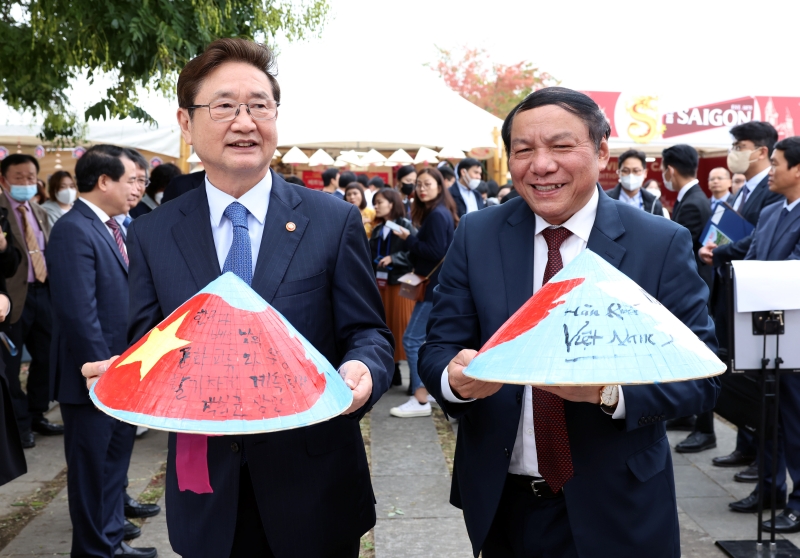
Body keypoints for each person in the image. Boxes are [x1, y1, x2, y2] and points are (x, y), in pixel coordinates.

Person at [81, 38, 393, 558]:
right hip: (206, 487)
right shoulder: (154, 233)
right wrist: (129, 374)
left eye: (259, 106)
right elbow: (149, 341)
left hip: (314, 482)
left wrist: (364, 368)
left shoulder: (331, 220)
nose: (244, 122)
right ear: (186, 122)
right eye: (224, 106)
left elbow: (369, 333)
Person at [418, 87, 719, 558]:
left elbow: (702, 377)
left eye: (561, 146)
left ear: (602, 152)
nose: (541, 165)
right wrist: (455, 381)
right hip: (503, 505)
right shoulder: (478, 234)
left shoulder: (658, 244)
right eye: (523, 150)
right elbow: (438, 347)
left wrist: (609, 393)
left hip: (619, 507)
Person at [47, 144, 157, 558]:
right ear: (104, 181)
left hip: (123, 373)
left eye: (143, 181)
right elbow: (79, 312)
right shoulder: (74, 229)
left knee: (113, 467)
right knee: (92, 473)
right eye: (132, 180)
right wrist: (104, 372)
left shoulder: (117, 227)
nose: (138, 188)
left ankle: (112, 541)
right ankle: (94, 550)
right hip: (95, 377)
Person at [698, 122, 783, 479]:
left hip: (758, 297)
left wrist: (719, 253)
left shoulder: (774, 190)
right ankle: (746, 446)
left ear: (762, 151)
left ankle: (765, 461)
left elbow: (757, 240)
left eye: (740, 145)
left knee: (758, 382)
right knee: (740, 373)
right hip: (729, 291)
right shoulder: (741, 190)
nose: (734, 151)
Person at [728, 137, 800, 525]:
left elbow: (792, 271)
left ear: (798, 170)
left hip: (795, 334)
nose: (770, 170)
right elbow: (752, 259)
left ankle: (798, 502)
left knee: (795, 418)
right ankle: (770, 488)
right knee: (767, 414)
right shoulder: (772, 211)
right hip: (763, 328)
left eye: (776, 163)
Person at [0, 154, 60, 449]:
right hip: (11, 298)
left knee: (47, 358)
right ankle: (20, 424)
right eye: (18, 177)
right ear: (4, 180)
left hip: (43, 293)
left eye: (30, 177)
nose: (26, 182)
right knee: (11, 366)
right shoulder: (2, 212)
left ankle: (37, 414)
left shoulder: (39, 211)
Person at [390, 167, 457, 418]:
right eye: (418, 184)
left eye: (427, 184)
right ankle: (427, 392)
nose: (421, 189)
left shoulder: (438, 214)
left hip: (432, 287)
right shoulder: (437, 211)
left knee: (411, 339)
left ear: (440, 186)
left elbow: (436, 251)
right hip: (434, 285)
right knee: (426, 339)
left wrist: (410, 239)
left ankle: (420, 398)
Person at [370, 188, 416, 387]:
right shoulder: (378, 229)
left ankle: (415, 380)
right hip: (382, 284)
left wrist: (393, 258)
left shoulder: (404, 225)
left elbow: (415, 252)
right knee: (387, 326)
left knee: (403, 328)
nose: (376, 206)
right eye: (375, 203)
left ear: (392, 203)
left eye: (380, 202)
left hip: (401, 284)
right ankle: (394, 373)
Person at [604, 149, 664, 216]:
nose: (631, 175)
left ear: (645, 173)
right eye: (625, 171)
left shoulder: (654, 203)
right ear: (619, 172)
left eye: (636, 171)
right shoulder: (605, 199)